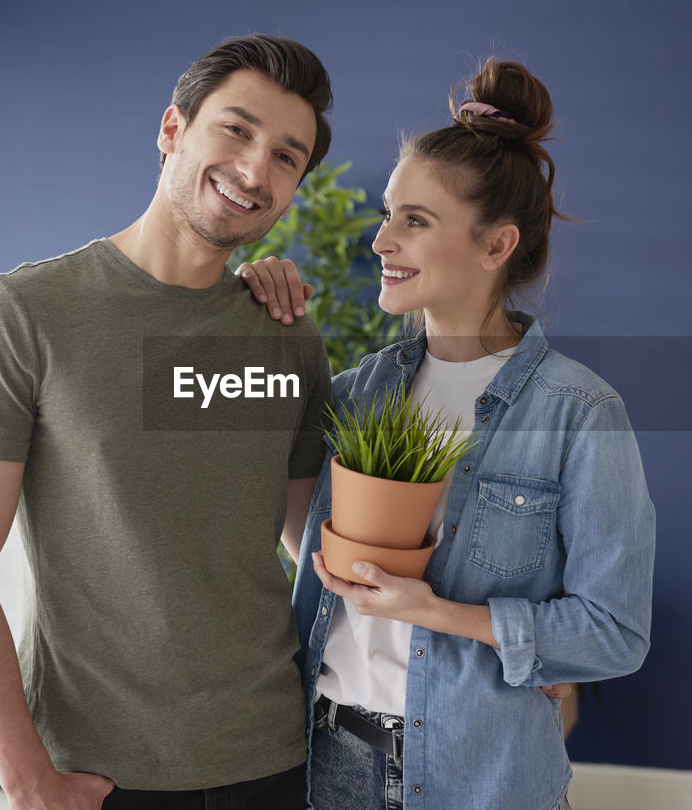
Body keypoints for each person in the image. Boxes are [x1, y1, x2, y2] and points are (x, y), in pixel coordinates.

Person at [0, 35, 337, 810]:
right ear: (173, 129)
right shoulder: (24, 314)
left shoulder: (285, 332)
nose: (255, 170)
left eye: (288, 157)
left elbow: (311, 538)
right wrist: (27, 778)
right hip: (97, 772)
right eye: (237, 130)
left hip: (275, 755)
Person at [241, 59, 656, 809]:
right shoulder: (359, 391)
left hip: (481, 776)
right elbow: (304, 533)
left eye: (415, 221)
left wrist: (433, 610)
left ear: (497, 246)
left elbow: (613, 634)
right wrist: (253, 297)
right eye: (388, 213)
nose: (381, 241)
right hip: (325, 763)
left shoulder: (579, 413)